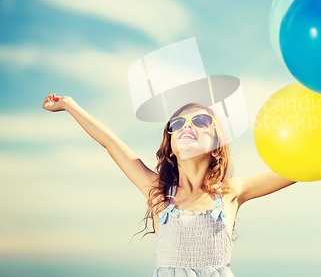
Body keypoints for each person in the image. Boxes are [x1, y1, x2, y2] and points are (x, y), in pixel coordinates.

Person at [42, 93, 295, 277]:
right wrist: (69, 105)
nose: (188, 126)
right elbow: (109, 142)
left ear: (216, 144)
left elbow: (295, 172)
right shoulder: (158, 192)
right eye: (178, 124)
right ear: (171, 148)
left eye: (201, 122)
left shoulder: (230, 192)